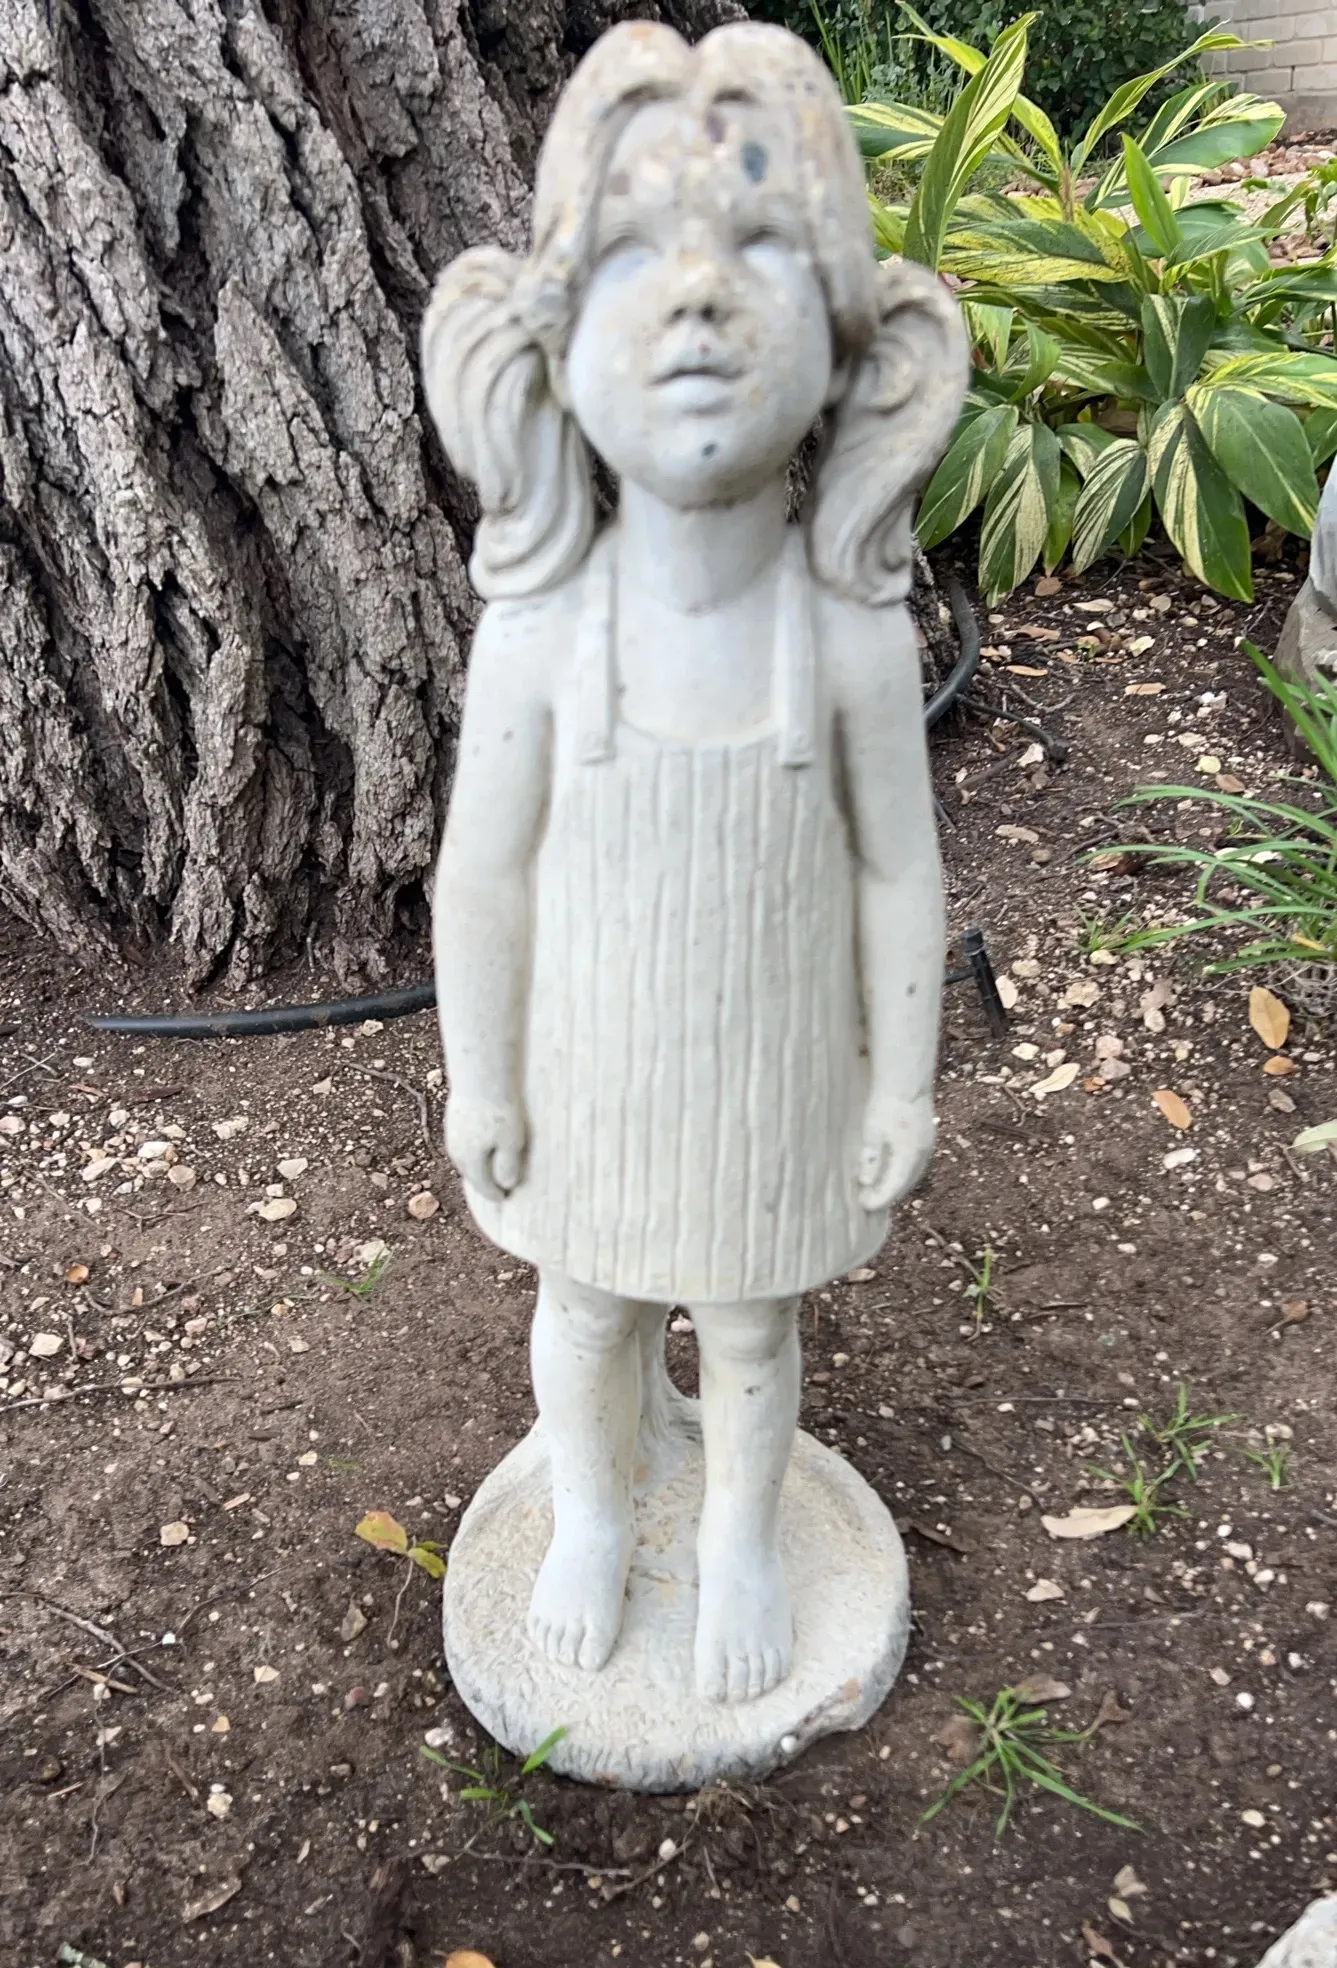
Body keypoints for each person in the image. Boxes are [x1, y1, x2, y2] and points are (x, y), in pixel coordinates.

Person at [423, 19, 965, 1705]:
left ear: (857, 337)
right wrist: (480, 1074)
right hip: (590, 1074)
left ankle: (736, 1536)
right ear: (550, 330)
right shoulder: (538, 640)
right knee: (586, 1309)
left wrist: (903, 1083)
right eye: (636, 253)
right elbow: (482, 878)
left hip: (770, 1081)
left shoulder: (848, 641)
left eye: (762, 249)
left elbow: (898, 875)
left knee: (747, 1323)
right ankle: (594, 1510)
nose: (701, 300)